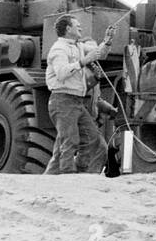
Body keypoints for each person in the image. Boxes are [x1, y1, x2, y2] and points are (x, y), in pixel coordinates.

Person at [45, 15, 112, 175]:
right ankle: (67, 175)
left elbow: (99, 53)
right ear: (68, 29)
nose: (81, 28)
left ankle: (79, 174)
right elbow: (61, 73)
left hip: (76, 102)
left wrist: (107, 41)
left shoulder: (78, 46)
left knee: (92, 137)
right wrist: (82, 62)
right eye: (78, 25)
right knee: (70, 141)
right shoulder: (58, 49)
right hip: (62, 100)